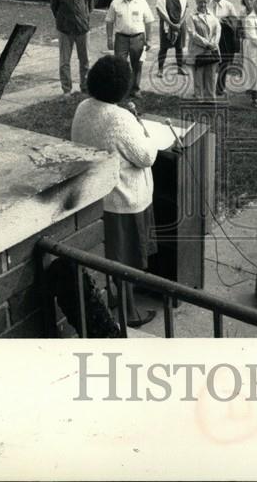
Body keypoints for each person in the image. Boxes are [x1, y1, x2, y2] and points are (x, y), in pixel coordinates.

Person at [70, 55, 158, 328]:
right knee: (128, 260)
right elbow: (146, 156)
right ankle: (130, 312)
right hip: (125, 198)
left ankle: (117, 299)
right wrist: (140, 125)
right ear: (122, 87)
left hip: (96, 197)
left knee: (113, 257)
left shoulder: (84, 107)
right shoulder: (121, 119)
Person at [49, 0, 94, 96]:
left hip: (82, 30)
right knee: (64, 62)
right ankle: (66, 90)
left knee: (85, 61)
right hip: (65, 31)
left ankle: (85, 87)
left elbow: (90, 7)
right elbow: (54, 7)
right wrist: (63, 20)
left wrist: (83, 19)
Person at [105, 0, 155, 99]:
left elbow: (149, 22)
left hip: (138, 38)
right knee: (119, 65)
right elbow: (109, 21)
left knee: (137, 65)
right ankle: (120, 90)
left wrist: (148, 40)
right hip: (121, 38)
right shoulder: (115, 3)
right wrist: (109, 39)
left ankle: (135, 90)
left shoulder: (142, 2)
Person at [184, 0, 221, 100]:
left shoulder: (212, 15)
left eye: (204, 2)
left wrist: (214, 43)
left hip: (211, 51)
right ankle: (199, 99)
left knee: (211, 77)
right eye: (200, 2)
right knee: (198, 77)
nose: (203, 4)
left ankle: (210, 99)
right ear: (196, 3)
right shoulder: (192, 17)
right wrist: (207, 44)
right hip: (198, 52)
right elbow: (193, 34)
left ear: (208, 2)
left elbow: (217, 30)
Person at [155, 0, 188, 77]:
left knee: (179, 48)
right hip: (167, 25)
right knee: (163, 48)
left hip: (179, 25)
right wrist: (171, 24)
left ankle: (180, 68)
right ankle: (160, 70)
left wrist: (180, 23)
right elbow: (160, 12)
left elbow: (186, 9)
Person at [210, 0, 239, 96]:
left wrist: (225, 21)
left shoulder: (228, 5)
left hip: (225, 38)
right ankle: (208, 87)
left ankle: (220, 88)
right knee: (210, 63)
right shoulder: (207, 4)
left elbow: (235, 21)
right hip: (211, 37)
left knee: (224, 63)